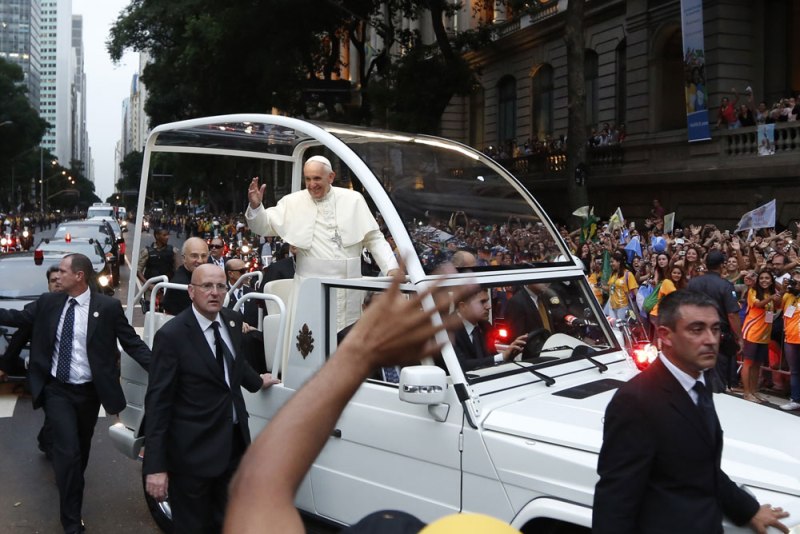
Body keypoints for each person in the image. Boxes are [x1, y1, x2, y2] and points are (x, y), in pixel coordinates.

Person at [224, 273, 519, 533]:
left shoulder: (400, 349)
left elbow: (255, 489)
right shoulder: (344, 340)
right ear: (365, 308)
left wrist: (358, 358)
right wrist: (359, 355)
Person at [593, 290, 789, 534]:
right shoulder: (636, 401)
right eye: (696, 330)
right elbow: (615, 499)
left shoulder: (698, 379)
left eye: (715, 329)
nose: (711, 339)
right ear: (665, 335)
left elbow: (701, 465)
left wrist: (748, 509)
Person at [0, 253, 151, 534]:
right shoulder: (49, 303)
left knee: (79, 453)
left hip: (89, 394)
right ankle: (71, 522)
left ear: (79, 276)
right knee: (67, 453)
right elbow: (16, 317)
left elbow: (132, 343)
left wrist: (160, 369)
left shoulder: (106, 307)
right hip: (57, 390)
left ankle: (71, 484)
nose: (58, 276)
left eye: (63, 271)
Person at [143, 264, 279, 533]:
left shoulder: (231, 321)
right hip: (192, 455)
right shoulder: (171, 336)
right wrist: (156, 467)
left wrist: (257, 381)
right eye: (207, 286)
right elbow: (158, 404)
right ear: (191, 292)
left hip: (233, 446)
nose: (215, 292)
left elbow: (234, 362)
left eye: (220, 286)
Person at [245, 155, 399, 329]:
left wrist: (391, 268)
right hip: (311, 289)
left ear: (331, 177)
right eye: (308, 179)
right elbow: (264, 226)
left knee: (349, 341)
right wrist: (256, 207)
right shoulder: (292, 202)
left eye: (317, 178)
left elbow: (374, 238)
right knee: (312, 343)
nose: (312, 184)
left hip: (350, 289)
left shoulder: (354, 199)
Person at [687, 250, 742, 392]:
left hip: (694, 333)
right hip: (716, 336)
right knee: (716, 379)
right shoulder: (725, 285)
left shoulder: (693, 283)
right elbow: (732, 314)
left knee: (695, 375)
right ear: (722, 265)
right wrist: (739, 337)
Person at [451, 289, 526, 371]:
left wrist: (510, 353)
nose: (489, 306)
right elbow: (460, 365)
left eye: (487, 301)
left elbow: (490, 356)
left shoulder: (485, 326)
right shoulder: (448, 331)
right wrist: (502, 356)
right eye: (482, 302)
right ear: (463, 306)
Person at [740, 269, 782, 403]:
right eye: (762, 278)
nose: (764, 280)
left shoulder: (772, 293)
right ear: (758, 280)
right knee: (748, 363)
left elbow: (778, 305)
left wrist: (778, 292)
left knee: (757, 364)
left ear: (771, 281)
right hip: (752, 331)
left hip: (764, 335)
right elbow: (758, 304)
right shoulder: (752, 291)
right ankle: (747, 393)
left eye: (767, 278)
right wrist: (771, 298)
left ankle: (754, 391)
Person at [160, 237, 209, 315]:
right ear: (184, 258)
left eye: (203, 256)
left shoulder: (198, 276)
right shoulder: (180, 285)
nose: (200, 260)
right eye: (194, 256)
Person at [136, 227, 179, 311]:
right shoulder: (146, 251)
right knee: (150, 312)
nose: (167, 237)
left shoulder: (173, 251)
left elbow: (178, 269)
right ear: (157, 236)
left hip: (167, 287)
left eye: (168, 235)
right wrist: (148, 284)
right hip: (151, 289)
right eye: (164, 235)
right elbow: (138, 271)